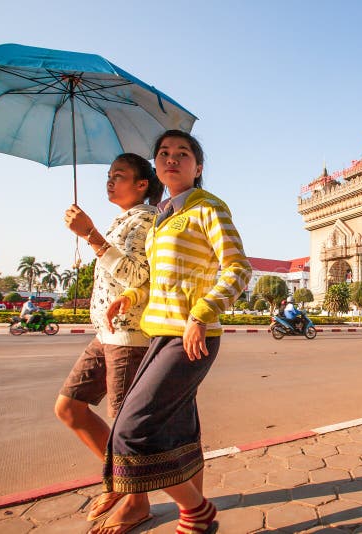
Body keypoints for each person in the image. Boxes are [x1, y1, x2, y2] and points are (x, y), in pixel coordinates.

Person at [103, 130, 251, 534]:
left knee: (131, 428)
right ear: (156, 165)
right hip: (161, 335)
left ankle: (198, 510)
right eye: (164, 153)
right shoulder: (159, 220)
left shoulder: (208, 208)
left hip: (193, 336)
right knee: (178, 430)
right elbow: (161, 281)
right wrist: (132, 297)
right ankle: (191, 517)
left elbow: (239, 269)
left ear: (197, 167)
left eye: (182, 153)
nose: (172, 158)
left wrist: (202, 315)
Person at [55, 153, 163, 528]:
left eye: (119, 176)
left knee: (124, 427)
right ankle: (118, 479)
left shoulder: (148, 220)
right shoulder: (123, 221)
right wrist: (92, 236)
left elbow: (139, 278)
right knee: (69, 407)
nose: (110, 181)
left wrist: (92, 236)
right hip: (105, 334)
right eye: (108, 175)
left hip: (129, 336)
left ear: (142, 185)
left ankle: (138, 502)